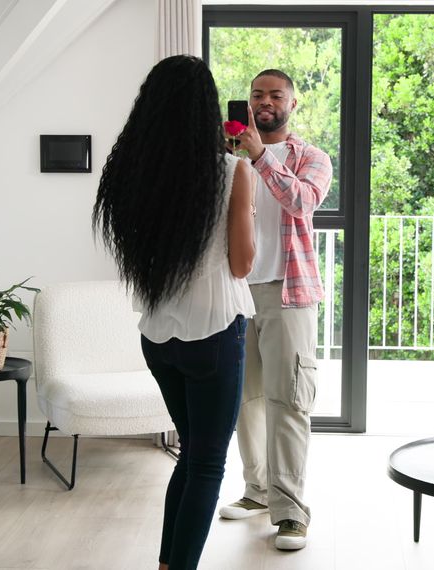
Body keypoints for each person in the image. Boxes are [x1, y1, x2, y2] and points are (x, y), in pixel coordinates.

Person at [92, 54, 256, 570]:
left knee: (192, 455)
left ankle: (168, 564)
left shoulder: (130, 178)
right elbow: (242, 262)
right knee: (207, 464)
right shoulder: (231, 170)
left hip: (159, 338)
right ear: (206, 109)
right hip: (214, 332)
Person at [218, 69, 333, 551]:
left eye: (275, 95)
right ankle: (257, 491)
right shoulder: (226, 156)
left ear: (293, 103)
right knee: (245, 402)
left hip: (289, 292)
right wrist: (231, 157)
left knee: (288, 401)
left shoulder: (312, 158)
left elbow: (301, 202)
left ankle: (291, 511)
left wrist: (259, 155)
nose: (265, 102)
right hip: (233, 292)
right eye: (257, 95)